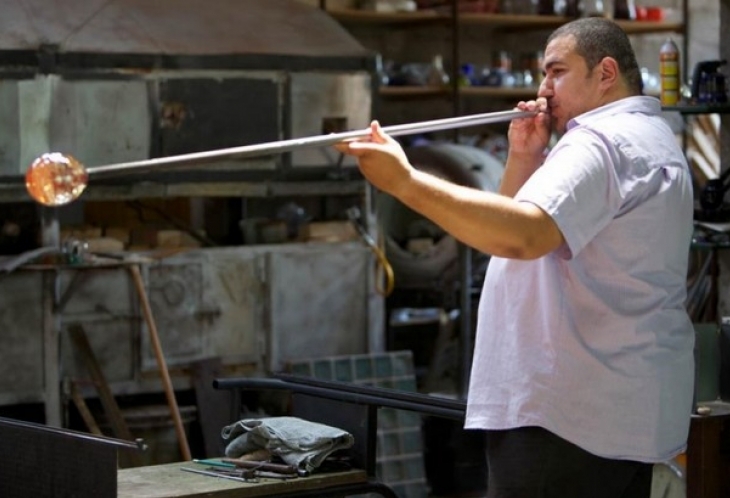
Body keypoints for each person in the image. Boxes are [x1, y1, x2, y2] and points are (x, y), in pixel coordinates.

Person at [335, 17, 695, 498]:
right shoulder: (651, 137)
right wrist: (524, 160)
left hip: (565, 420)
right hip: (614, 414)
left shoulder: (600, 142)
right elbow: (508, 241)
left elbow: (524, 237)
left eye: (556, 71)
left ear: (606, 72)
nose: (543, 90)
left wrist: (404, 182)